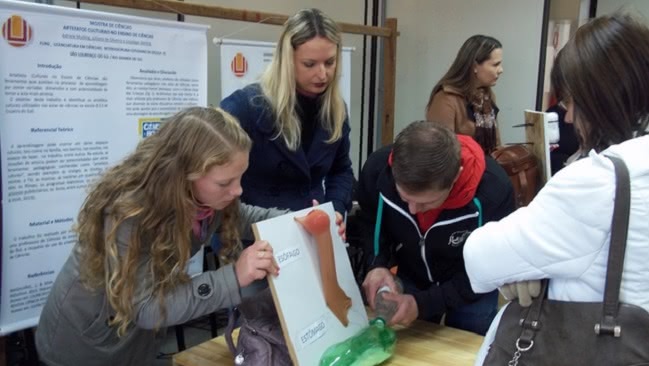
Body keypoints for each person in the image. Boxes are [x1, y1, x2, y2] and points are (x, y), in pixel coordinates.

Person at [463, 13, 649, 365]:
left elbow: (480, 258)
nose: (568, 117)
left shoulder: (597, 183)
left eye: (572, 102)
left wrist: (530, 264)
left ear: (599, 97)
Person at [35, 107, 284, 366]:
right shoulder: (129, 213)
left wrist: (303, 220)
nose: (238, 190)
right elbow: (147, 308)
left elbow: (246, 217)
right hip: (84, 343)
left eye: (240, 177)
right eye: (225, 183)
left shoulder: (205, 199)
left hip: (133, 340)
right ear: (183, 175)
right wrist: (233, 277)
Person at [357, 121, 514, 335]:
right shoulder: (377, 170)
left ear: (456, 176)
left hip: (471, 286)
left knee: (468, 343)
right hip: (413, 275)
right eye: (405, 199)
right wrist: (377, 263)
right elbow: (370, 221)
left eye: (425, 203)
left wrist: (423, 304)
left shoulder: (494, 191)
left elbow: (489, 268)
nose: (413, 210)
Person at [221, 8, 353, 219]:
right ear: (287, 59)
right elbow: (214, 178)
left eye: (330, 62)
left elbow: (341, 170)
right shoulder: (246, 106)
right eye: (309, 64)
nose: (322, 74)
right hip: (253, 235)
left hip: (311, 232)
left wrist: (336, 208)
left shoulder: (336, 110)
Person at [425, 35, 504, 154]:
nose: (501, 70)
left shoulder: (487, 96)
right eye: (495, 65)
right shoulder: (445, 99)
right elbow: (440, 153)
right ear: (475, 66)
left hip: (487, 166)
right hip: (460, 170)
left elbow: (496, 145)